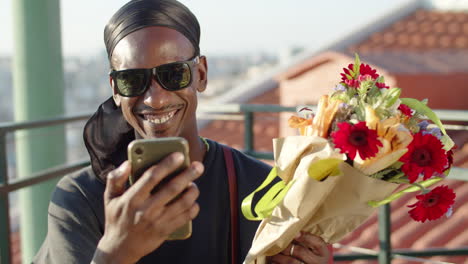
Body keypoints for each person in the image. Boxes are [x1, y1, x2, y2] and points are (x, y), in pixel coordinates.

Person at [33, 0, 331, 263]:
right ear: (115, 89)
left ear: (200, 74)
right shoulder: (81, 198)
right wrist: (115, 253)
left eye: (173, 75)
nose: (155, 98)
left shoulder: (258, 186)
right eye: (132, 80)